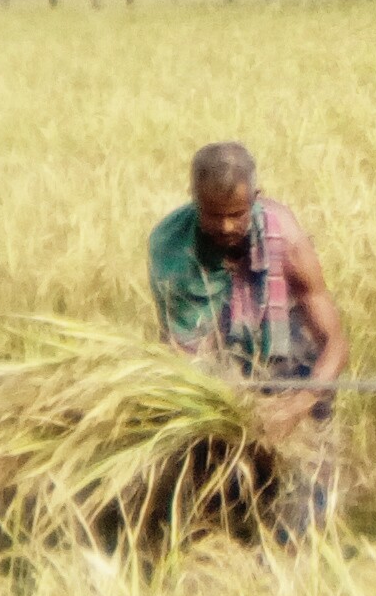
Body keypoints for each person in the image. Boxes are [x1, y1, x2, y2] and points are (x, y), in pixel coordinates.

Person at [147, 142, 348, 531]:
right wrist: (225, 400)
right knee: (216, 502)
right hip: (216, 381)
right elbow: (178, 345)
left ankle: (300, 547)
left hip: (292, 372)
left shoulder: (287, 242)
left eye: (237, 214)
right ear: (194, 199)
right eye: (213, 214)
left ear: (256, 198)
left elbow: (335, 344)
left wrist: (297, 405)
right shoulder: (170, 247)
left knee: (301, 510)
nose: (225, 227)